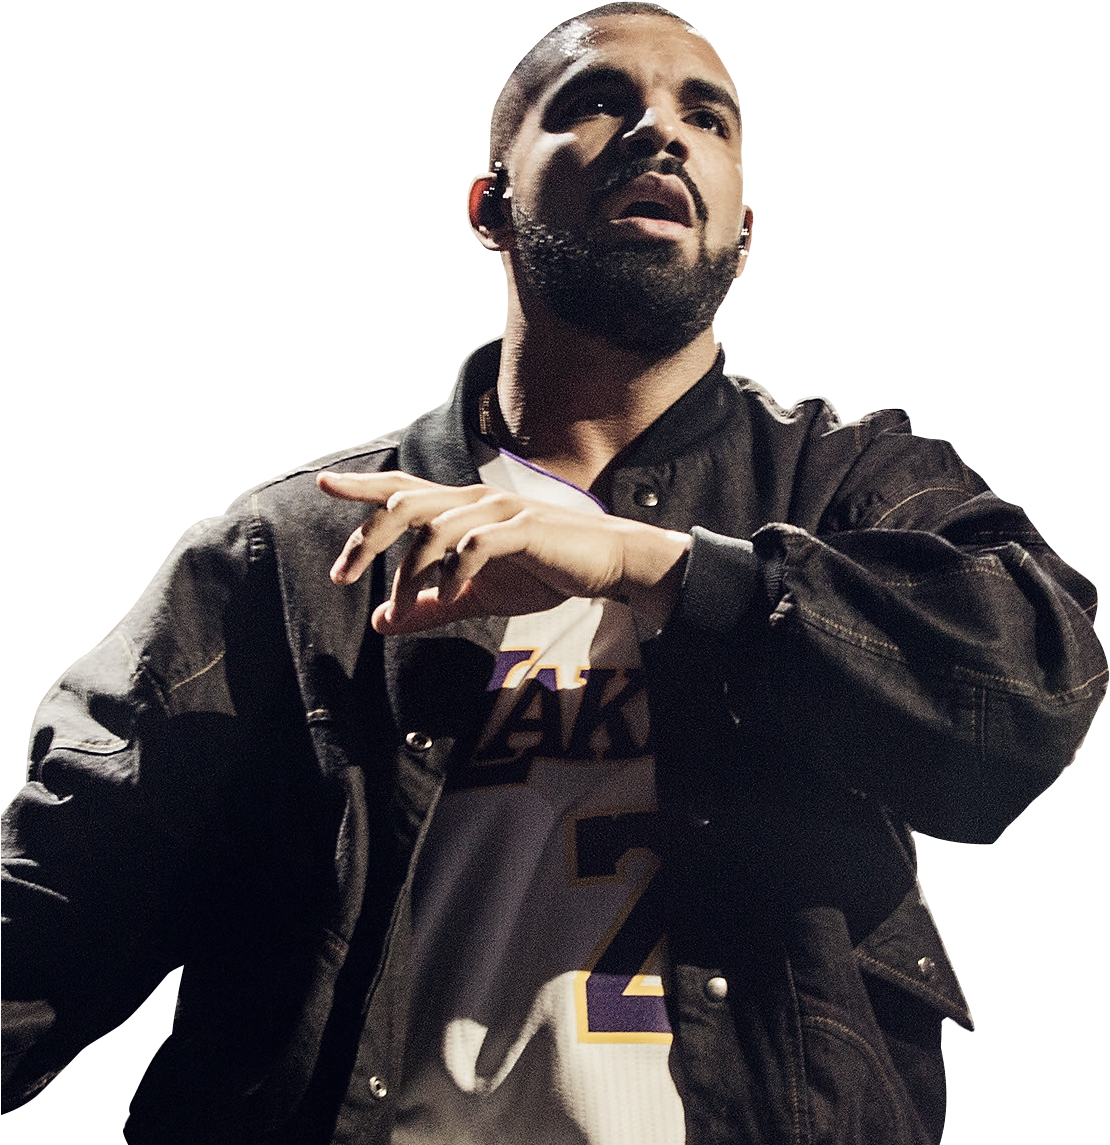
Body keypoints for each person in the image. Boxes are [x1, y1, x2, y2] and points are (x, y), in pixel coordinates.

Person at [2, 4, 1105, 1142]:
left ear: (743, 232)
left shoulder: (852, 487)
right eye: (597, 101)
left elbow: (1032, 693)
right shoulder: (287, 550)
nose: (660, 131)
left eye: (707, 118)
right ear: (491, 206)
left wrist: (656, 567)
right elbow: (44, 915)